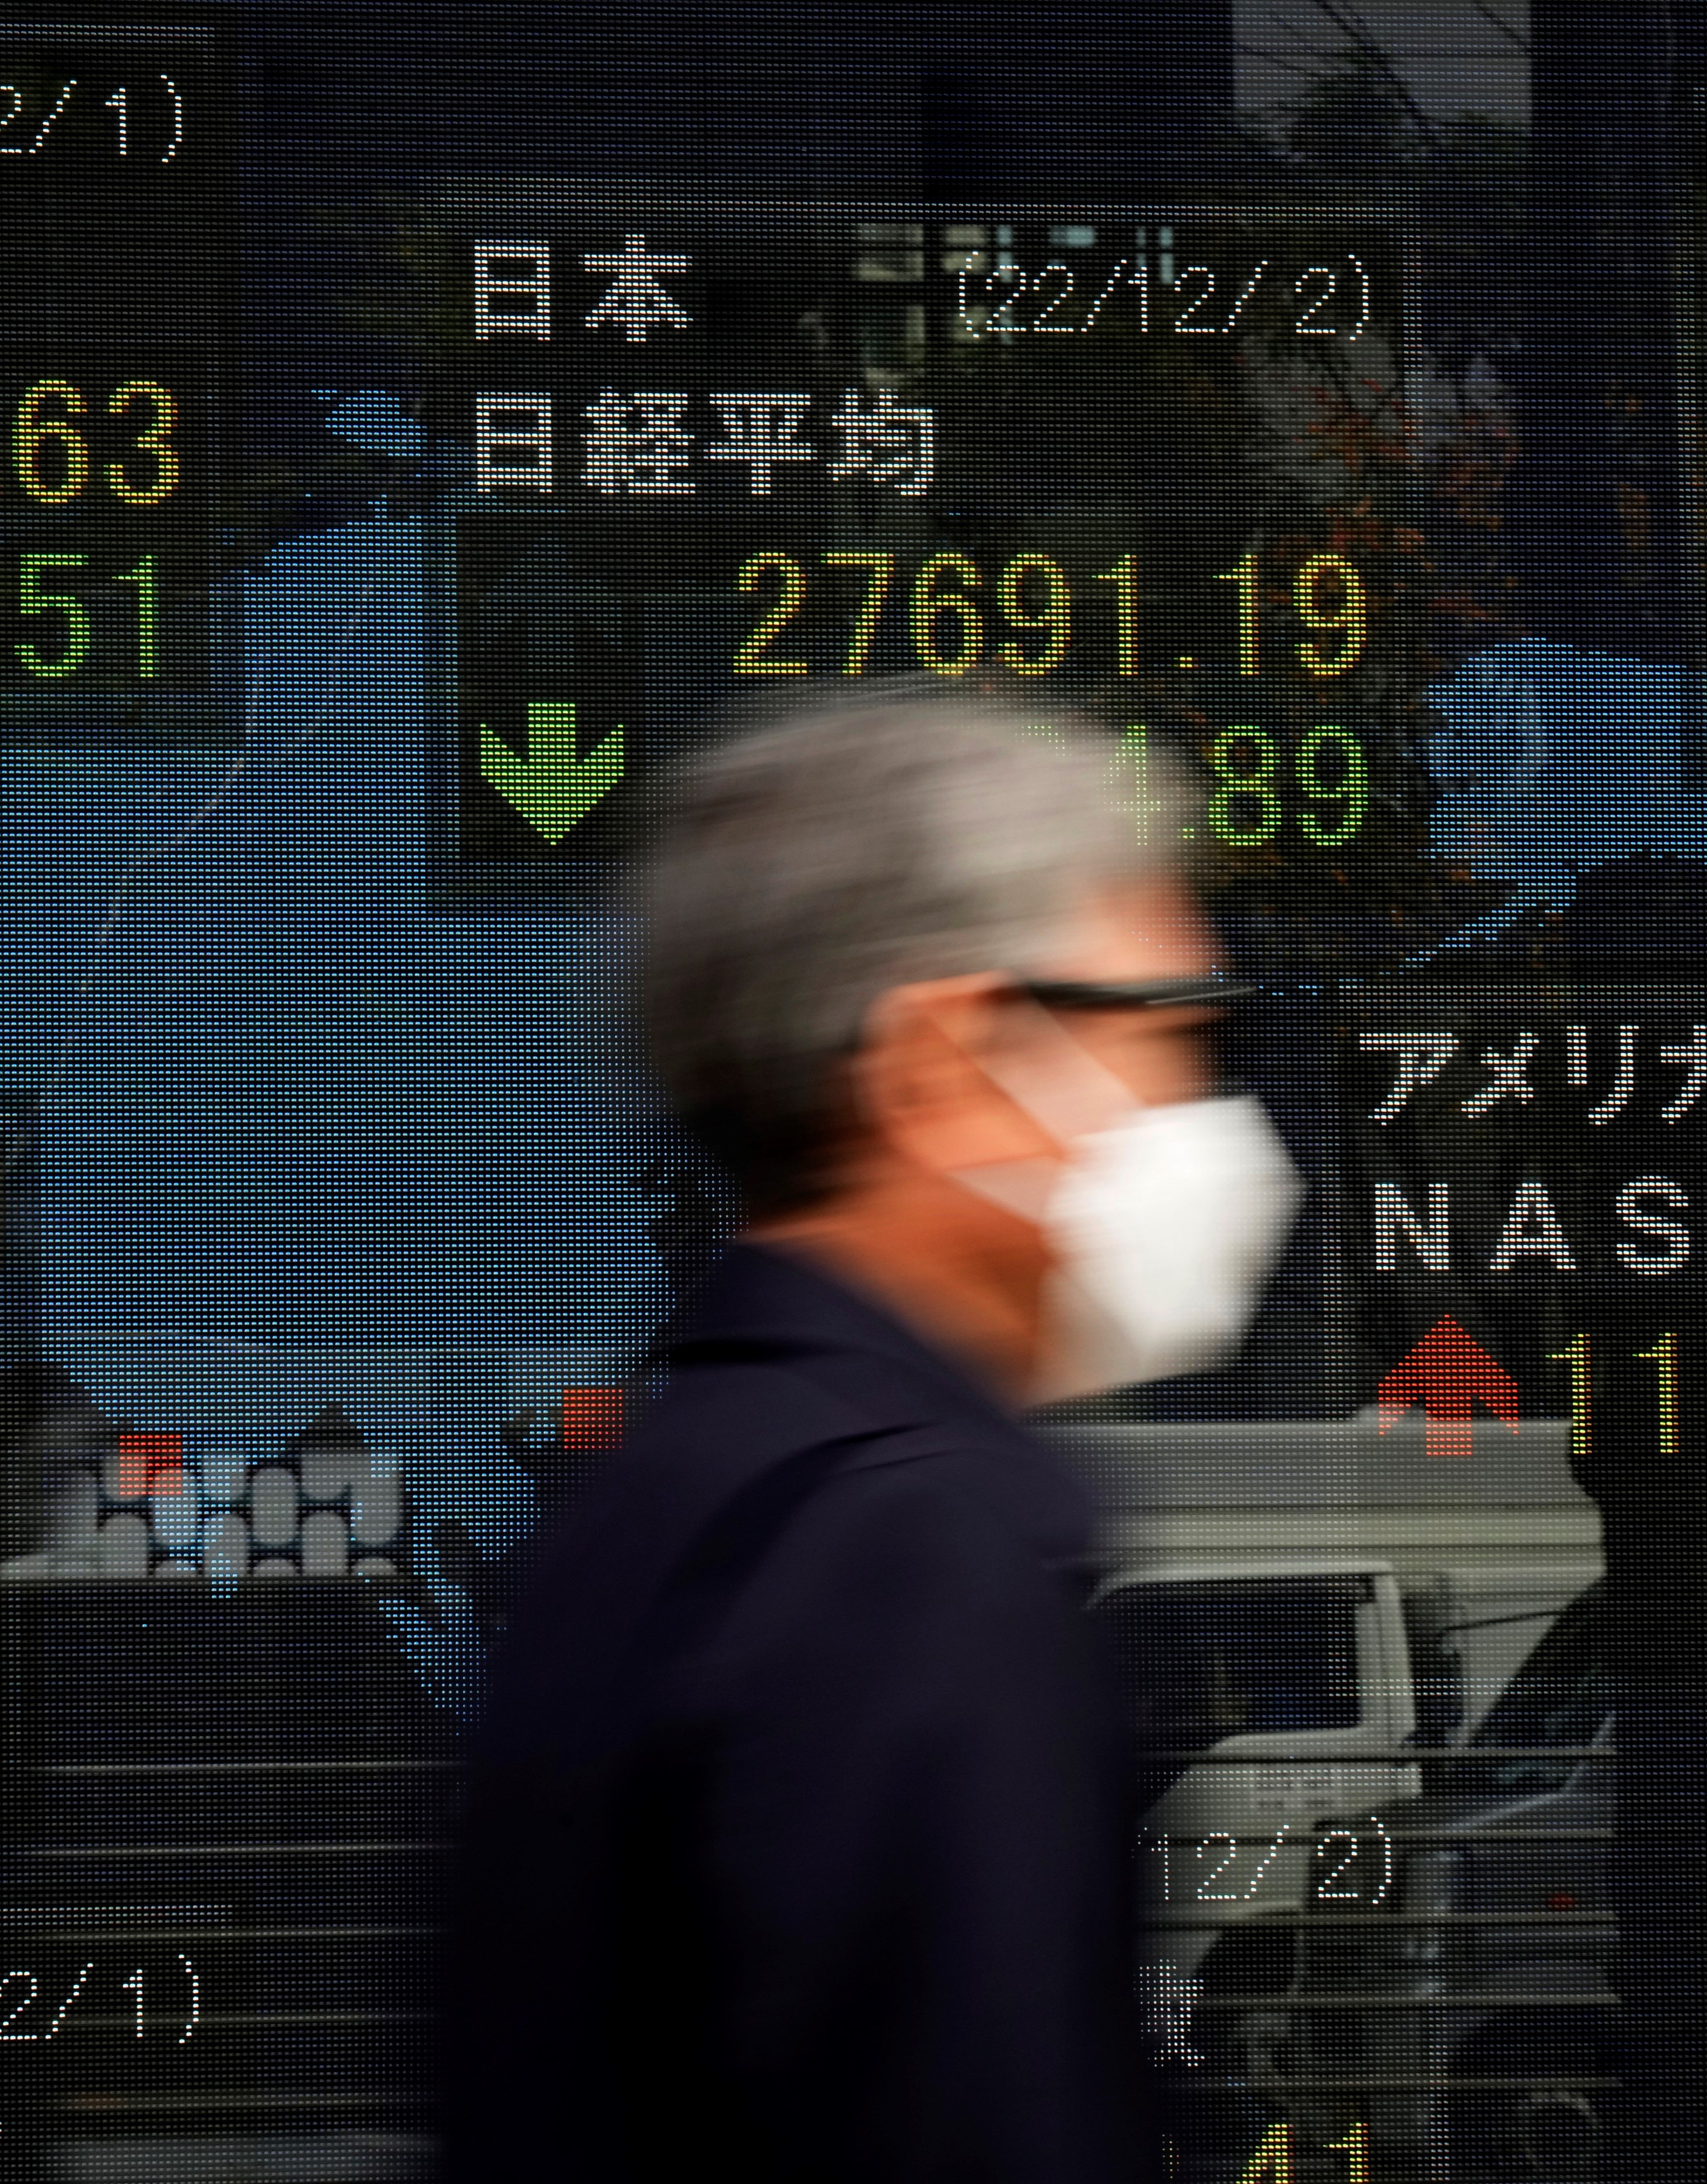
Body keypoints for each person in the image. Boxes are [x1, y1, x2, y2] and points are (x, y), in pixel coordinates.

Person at [438, 689, 1299, 2184]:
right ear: (948, 1059)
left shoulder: (659, 1502)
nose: (1205, 1103)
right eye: (1169, 1025)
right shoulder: (909, 1551)